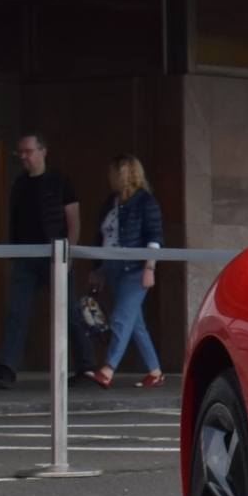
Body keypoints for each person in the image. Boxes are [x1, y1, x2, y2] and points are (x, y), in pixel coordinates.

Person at [0, 134, 82, 390]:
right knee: (17, 312)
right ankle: (5, 370)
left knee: (69, 313)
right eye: (20, 153)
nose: (23, 156)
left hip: (55, 256)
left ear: (43, 151)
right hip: (26, 258)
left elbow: (73, 221)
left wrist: (68, 254)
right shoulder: (20, 184)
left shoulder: (60, 181)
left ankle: (87, 368)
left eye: (28, 151)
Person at [87, 155, 163, 388]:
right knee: (134, 321)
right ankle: (155, 370)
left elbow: (154, 237)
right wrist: (98, 267)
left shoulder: (145, 202)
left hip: (135, 268)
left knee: (121, 318)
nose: (109, 176)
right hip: (114, 267)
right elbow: (102, 237)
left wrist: (150, 267)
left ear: (123, 174)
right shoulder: (111, 201)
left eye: (113, 171)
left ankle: (108, 370)